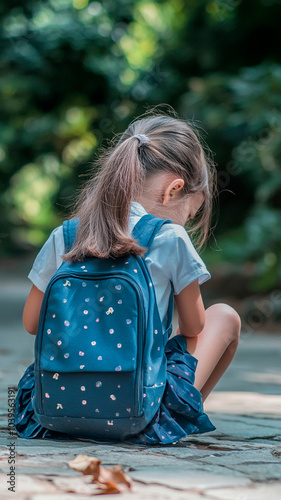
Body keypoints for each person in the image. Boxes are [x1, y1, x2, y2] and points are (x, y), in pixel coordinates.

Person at [13, 109, 241, 446]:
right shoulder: (169, 238)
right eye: (189, 214)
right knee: (224, 317)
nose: (186, 224)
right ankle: (166, 421)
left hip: (55, 412)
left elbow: (32, 323)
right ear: (174, 190)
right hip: (137, 412)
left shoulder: (66, 235)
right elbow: (194, 328)